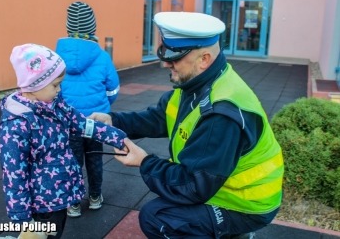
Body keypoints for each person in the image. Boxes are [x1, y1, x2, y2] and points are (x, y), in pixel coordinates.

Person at [90, 12, 284, 238]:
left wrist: (144, 162)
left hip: (245, 204)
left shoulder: (220, 114)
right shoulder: (199, 82)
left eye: (175, 58)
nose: (166, 64)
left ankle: (235, 232)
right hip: (220, 184)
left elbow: (193, 186)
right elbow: (160, 117)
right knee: (163, 210)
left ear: (204, 60)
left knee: (158, 217)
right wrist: (115, 120)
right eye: (166, 54)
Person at [0, 43, 126, 238]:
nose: (59, 90)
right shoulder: (17, 125)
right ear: (35, 85)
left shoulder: (56, 106)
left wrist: (116, 137)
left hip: (59, 196)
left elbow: (81, 123)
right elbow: (14, 175)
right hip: (41, 206)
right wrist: (22, 219)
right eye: (55, 85)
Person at [55, 1, 121, 218]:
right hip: (94, 121)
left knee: (71, 161)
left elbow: (54, 91)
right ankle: (94, 197)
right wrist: (104, 107)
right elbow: (113, 88)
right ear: (92, 28)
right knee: (94, 159)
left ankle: (73, 203)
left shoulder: (57, 57)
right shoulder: (102, 56)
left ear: (67, 27)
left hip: (68, 122)